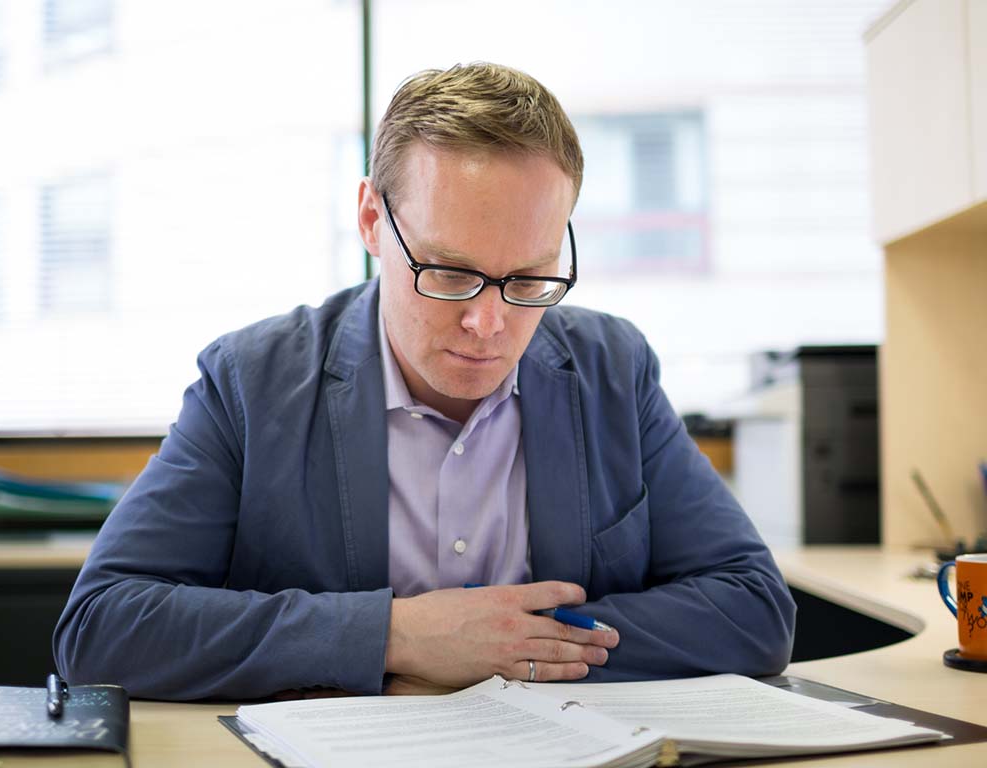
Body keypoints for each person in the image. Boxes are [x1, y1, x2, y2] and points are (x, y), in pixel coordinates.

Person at [53, 62, 795, 701]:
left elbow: (754, 609)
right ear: (372, 218)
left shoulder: (612, 367)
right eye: (448, 272)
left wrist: (507, 654)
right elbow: (105, 626)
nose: (488, 322)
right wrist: (397, 638)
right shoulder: (251, 381)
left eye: (530, 278)